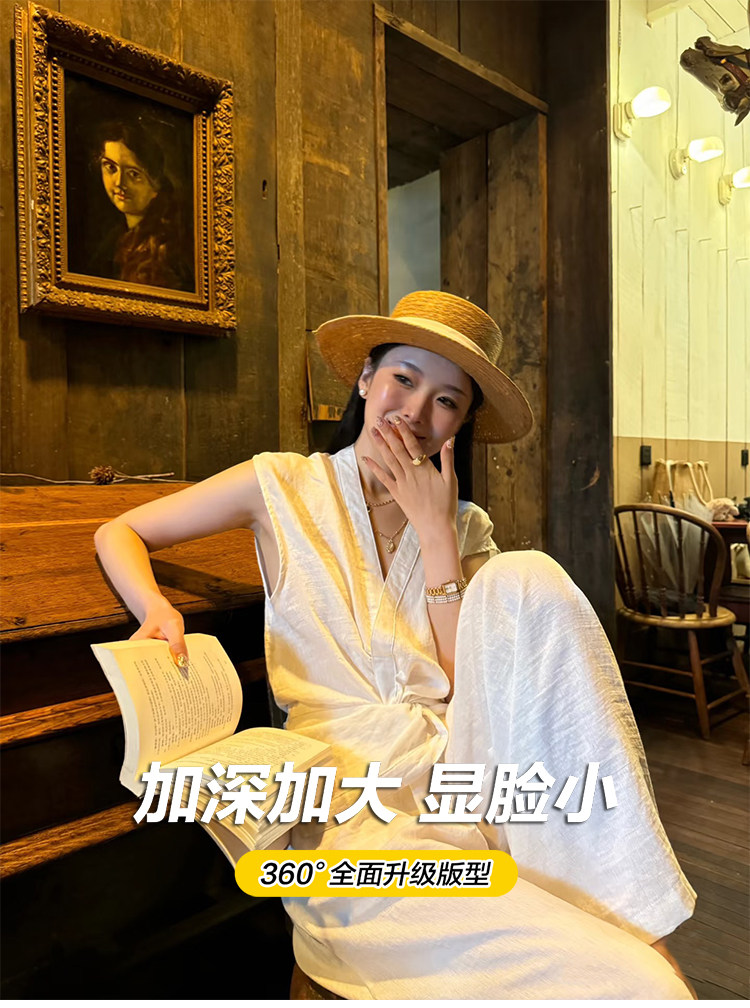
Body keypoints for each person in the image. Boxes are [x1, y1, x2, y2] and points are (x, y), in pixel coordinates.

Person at [95, 291, 696, 999]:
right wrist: (155, 607)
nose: (414, 412)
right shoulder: (282, 484)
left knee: (528, 575)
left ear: (461, 424)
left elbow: (465, 682)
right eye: (403, 379)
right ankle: (632, 948)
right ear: (365, 379)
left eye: (446, 401)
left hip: (460, 768)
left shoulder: (464, 525)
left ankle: (633, 913)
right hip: (345, 796)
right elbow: (121, 531)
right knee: (627, 982)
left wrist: (436, 532)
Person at [88, 120, 194, 292]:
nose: (119, 182)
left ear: (155, 185)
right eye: (111, 168)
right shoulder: (112, 239)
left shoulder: (170, 249)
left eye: (134, 174)